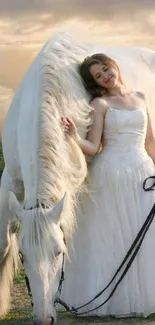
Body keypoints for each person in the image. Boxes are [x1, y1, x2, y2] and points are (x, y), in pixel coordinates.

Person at [61, 53, 155, 317]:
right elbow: (92, 147)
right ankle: (115, 299)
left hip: (142, 173)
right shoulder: (100, 104)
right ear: (95, 83)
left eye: (105, 69)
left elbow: (150, 143)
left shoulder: (141, 97)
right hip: (111, 174)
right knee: (113, 237)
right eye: (98, 76)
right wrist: (72, 137)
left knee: (146, 236)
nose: (105, 76)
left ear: (114, 65)